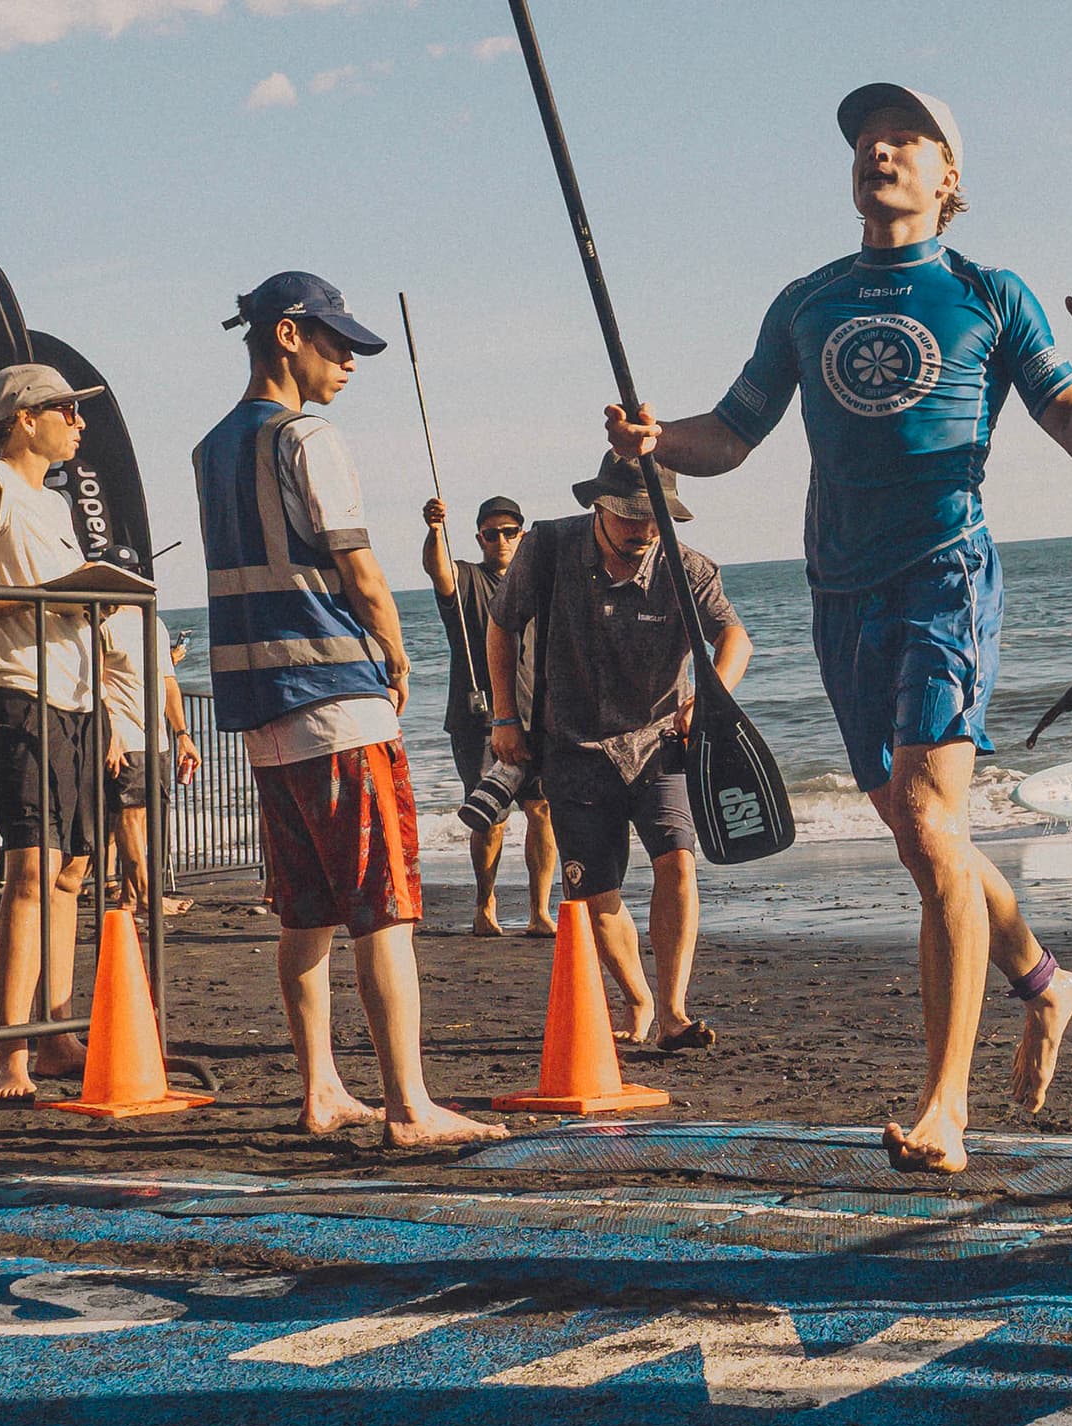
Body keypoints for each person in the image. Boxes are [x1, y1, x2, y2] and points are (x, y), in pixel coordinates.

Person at [604, 81, 1072, 1171]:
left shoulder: (990, 293)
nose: (880, 151)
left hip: (945, 576)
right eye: (866, 138)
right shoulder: (807, 302)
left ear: (950, 179)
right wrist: (657, 438)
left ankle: (945, 1107)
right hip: (838, 592)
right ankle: (1047, 982)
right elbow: (733, 435)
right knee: (919, 834)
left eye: (907, 138)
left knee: (937, 828)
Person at [193, 271, 495, 1145]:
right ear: (287, 336)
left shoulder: (211, 446)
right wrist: (398, 650)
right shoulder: (309, 437)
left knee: (306, 909)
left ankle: (322, 1087)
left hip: (262, 704)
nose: (350, 364)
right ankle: (409, 1104)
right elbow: (357, 569)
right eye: (336, 345)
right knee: (384, 904)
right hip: (336, 693)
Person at [486, 453, 752, 1052]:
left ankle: (676, 1012)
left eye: (653, 518)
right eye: (630, 517)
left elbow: (735, 636)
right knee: (594, 889)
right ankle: (639, 997)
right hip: (571, 747)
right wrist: (505, 716)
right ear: (599, 506)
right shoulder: (549, 549)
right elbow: (502, 625)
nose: (643, 530)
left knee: (678, 863)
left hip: (659, 745)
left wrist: (710, 696)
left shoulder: (687, 568)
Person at [0, 360, 111, 1104]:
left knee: (72, 871)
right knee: (31, 871)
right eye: (67, 410)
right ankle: (10, 1051)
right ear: (25, 417)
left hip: (73, 696)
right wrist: (49, 601)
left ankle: (55, 1033)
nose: (80, 423)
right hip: (15, 693)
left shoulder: (55, 503)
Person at [423, 494, 560, 938]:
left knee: (541, 810)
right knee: (491, 817)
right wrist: (435, 530)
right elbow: (437, 570)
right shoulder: (466, 579)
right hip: (479, 721)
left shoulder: (540, 585)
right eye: (490, 533)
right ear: (479, 538)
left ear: (521, 536)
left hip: (537, 716)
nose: (500, 540)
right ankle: (486, 904)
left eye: (509, 532)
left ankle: (540, 910)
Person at [97, 602, 202, 917]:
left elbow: (167, 680)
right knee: (129, 814)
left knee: (141, 818)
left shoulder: (153, 621)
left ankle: (129, 897)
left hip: (156, 736)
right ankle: (147, 897)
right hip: (123, 732)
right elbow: (94, 683)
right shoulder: (101, 624)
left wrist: (182, 733)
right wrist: (110, 734)